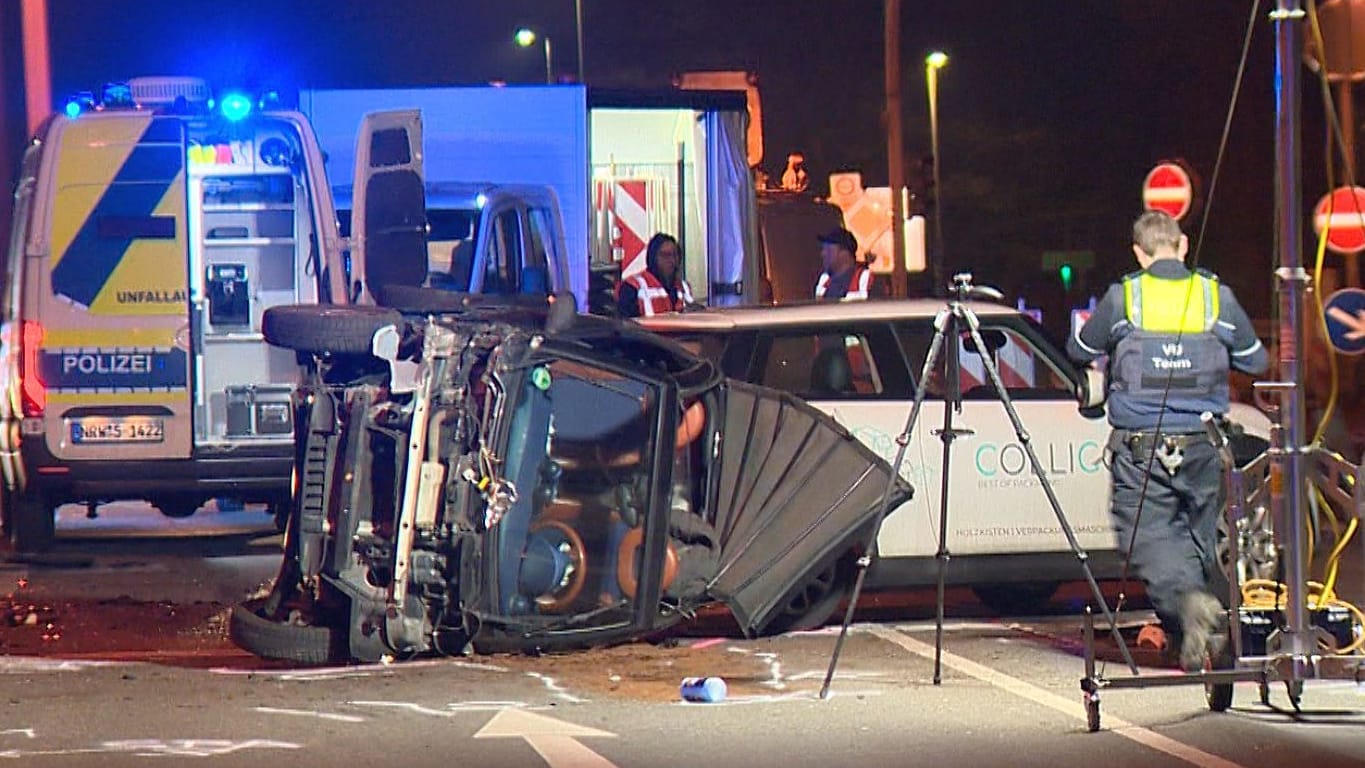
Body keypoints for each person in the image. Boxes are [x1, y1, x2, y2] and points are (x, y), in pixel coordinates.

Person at [1067, 211, 1268, 671]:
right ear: (1182, 245)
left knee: (1151, 535)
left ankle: (1190, 608)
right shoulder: (1216, 297)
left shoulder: (1124, 298)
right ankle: (1207, 629)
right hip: (1204, 442)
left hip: (1141, 449)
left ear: (1138, 252)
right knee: (1203, 539)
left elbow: (1080, 350)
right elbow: (1257, 361)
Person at [617, 233, 694, 318]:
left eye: (675, 255)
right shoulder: (633, 287)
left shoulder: (684, 287)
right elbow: (625, 325)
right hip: (646, 331)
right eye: (665, 255)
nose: (672, 260)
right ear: (653, 257)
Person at [814, 227, 876, 301]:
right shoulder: (824, 279)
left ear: (844, 253)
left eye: (828, 250)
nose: (823, 254)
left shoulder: (864, 278)